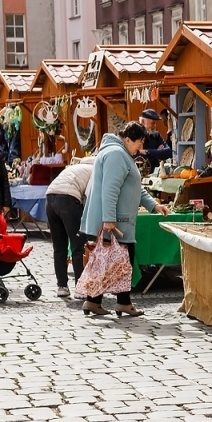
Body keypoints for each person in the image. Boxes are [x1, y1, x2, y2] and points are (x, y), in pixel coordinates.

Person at [80, 122, 167, 317]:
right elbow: (110, 189)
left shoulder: (120, 154)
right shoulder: (117, 155)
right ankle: (121, 302)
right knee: (122, 260)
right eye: (139, 142)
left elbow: (135, 188)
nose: (140, 147)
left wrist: (154, 205)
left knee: (113, 261)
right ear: (128, 139)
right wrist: (109, 219)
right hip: (117, 221)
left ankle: (96, 301)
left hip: (120, 219)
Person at [46, 155, 95, 297]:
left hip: (50, 198)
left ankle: (62, 286)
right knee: (77, 246)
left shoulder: (75, 167)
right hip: (68, 200)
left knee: (59, 247)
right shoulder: (95, 170)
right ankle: (80, 288)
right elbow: (89, 196)